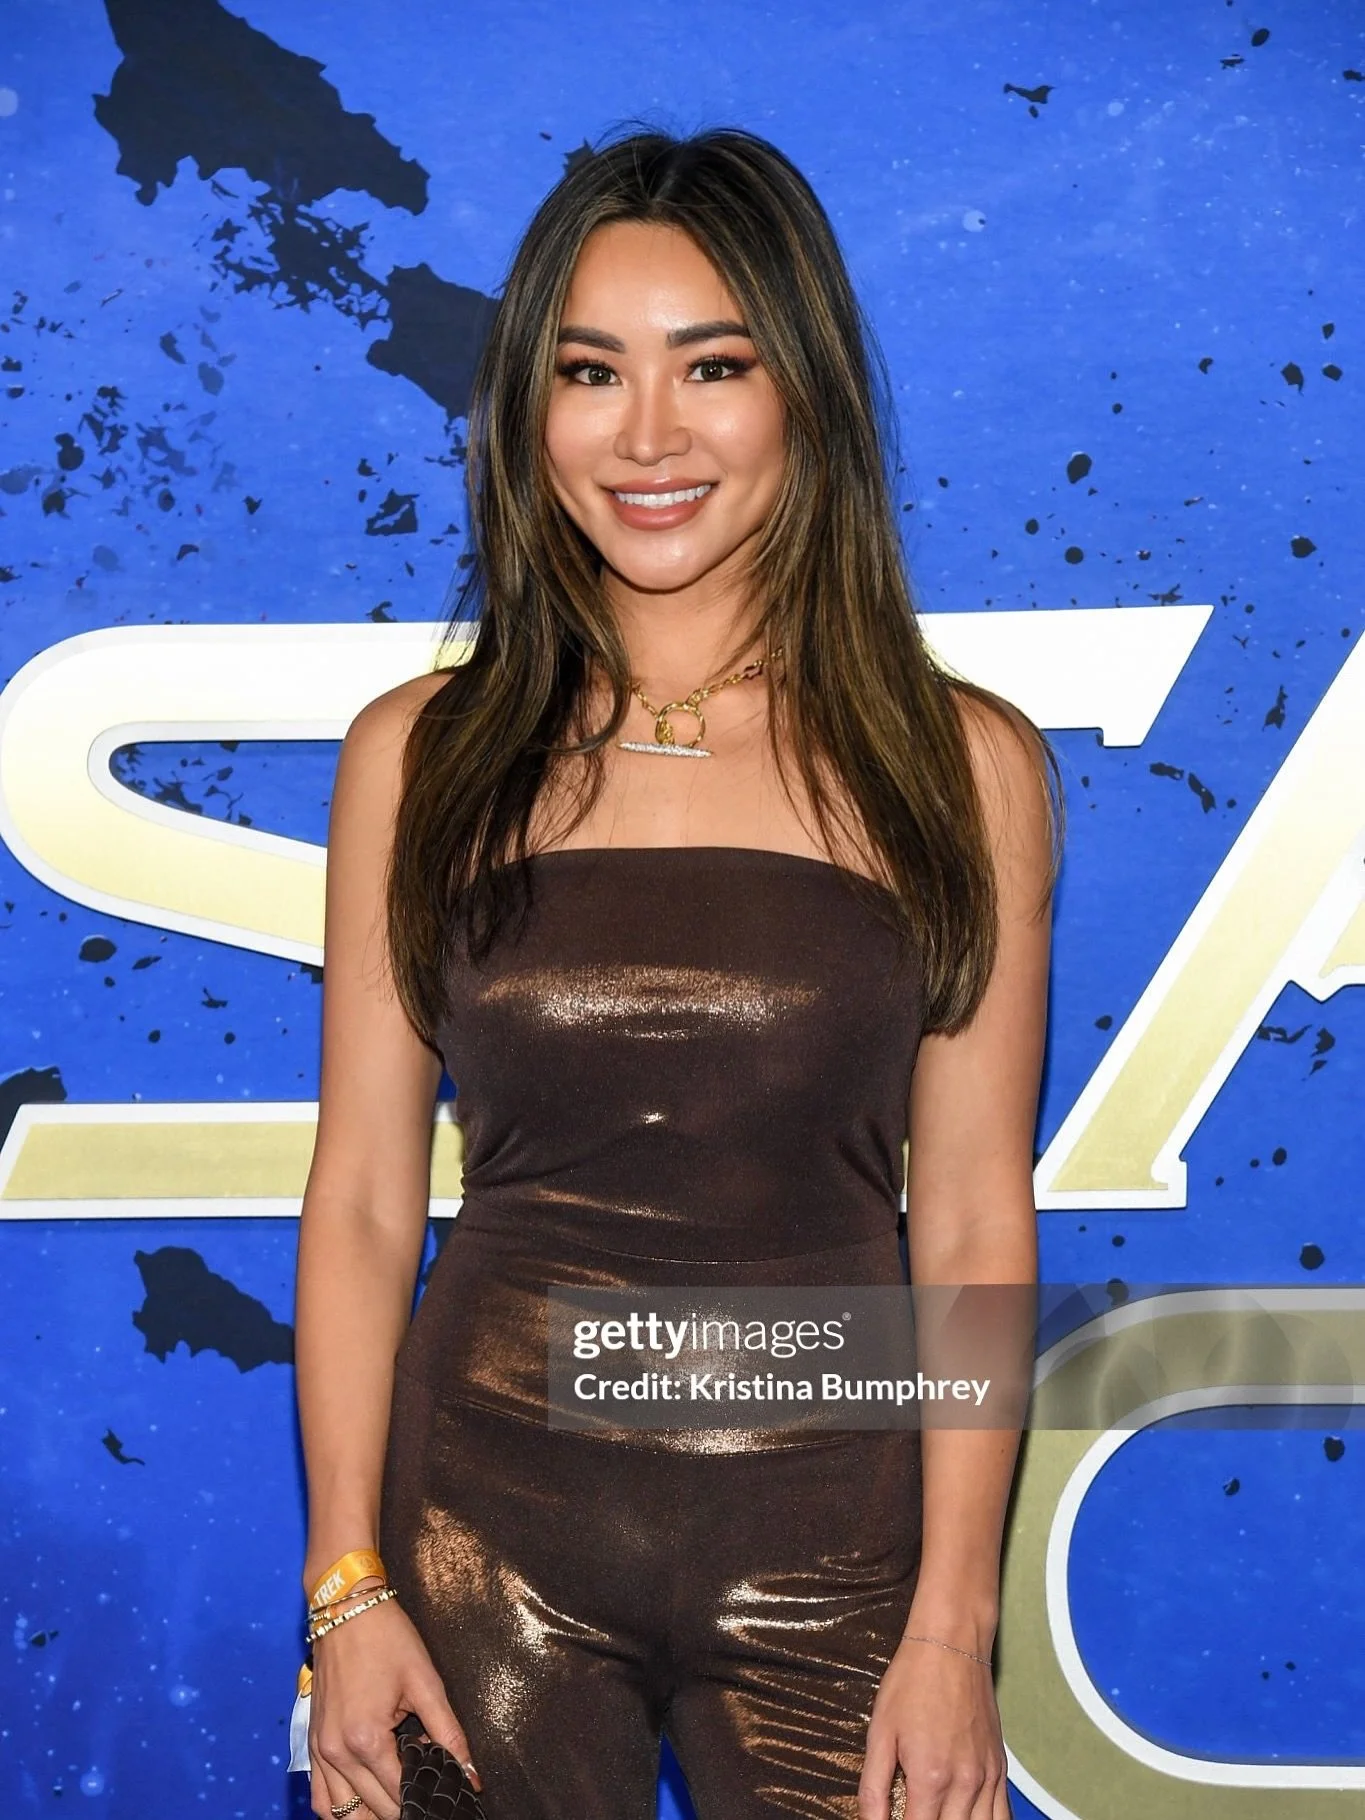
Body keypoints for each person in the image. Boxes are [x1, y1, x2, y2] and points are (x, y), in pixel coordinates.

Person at [293, 124, 1056, 1820]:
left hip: (840, 1542)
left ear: (805, 394)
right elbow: (358, 1196)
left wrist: (952, 1628)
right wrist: (346, 1592)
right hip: (476, 1532)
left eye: (712, 365)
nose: (647, 435)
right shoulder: (419, 754)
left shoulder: (961, 764)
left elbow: (980, 1216)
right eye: (590, 371)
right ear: (527, 410)